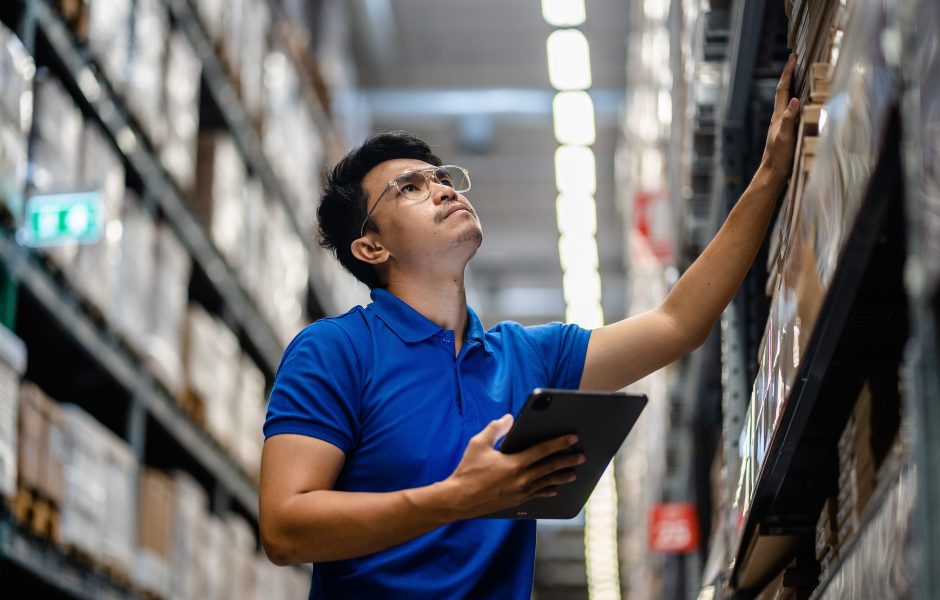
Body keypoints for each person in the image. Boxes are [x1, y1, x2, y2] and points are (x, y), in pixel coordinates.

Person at [259, 55, 801, 599]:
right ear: (371, 246)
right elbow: (284, 528)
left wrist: (771, 174)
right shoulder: (334, 352)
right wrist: (455, 498)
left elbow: (677, 323)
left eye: (443, 179)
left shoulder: (526, 357)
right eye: (409, 188)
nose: (445, 190)